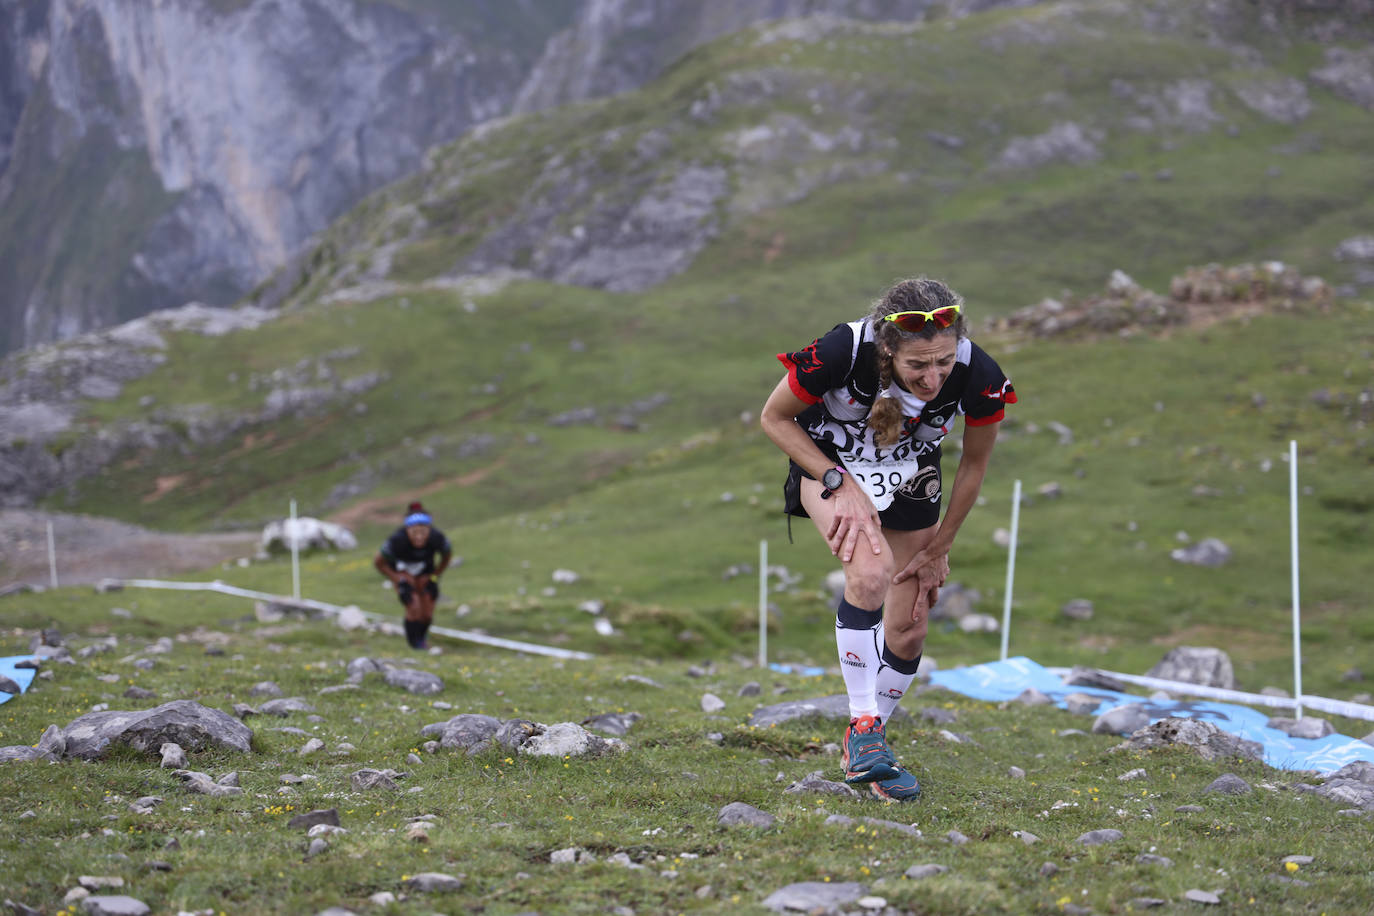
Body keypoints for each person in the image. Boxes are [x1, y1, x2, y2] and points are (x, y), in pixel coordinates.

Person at [760, 277, 1016, 802]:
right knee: (870, 576)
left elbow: (975, 463)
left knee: (911, 626)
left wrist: (940, 547)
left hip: (911, 476)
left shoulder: (978, 372)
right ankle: (864, 729)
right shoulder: (842, 350)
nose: (933, 376)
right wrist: (837, 482)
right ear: (888, 349)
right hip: (829, 467)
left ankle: (866, 741)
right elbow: (774, 418)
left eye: (943, 361)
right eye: (917, 365)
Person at [373, 503, 453, 650]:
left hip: (426, 573)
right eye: (415, 532)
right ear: (407, 529)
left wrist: (435, 576)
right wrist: (397, 579)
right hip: (402, 573)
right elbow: (378, 562)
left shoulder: (437, 538)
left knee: (427, 613)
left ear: (429, 529)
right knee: (413, 605)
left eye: (423, 532)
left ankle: (422, 639)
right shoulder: (396, 540)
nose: (419, 537)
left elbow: (447, 556)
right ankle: (414, 645)